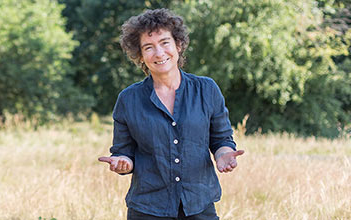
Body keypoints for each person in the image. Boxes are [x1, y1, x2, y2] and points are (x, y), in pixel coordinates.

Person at [97, 8, 244, 220]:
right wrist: (122, 164)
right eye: (149, 47)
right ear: (140, 55)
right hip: (147, 208)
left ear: (179, 44)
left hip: (199, 205)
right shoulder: (128, 99)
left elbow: (221, 139)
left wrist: (224, 155)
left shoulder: (207, 89)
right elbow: (123, 152)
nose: (159, 53)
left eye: (165, 42)